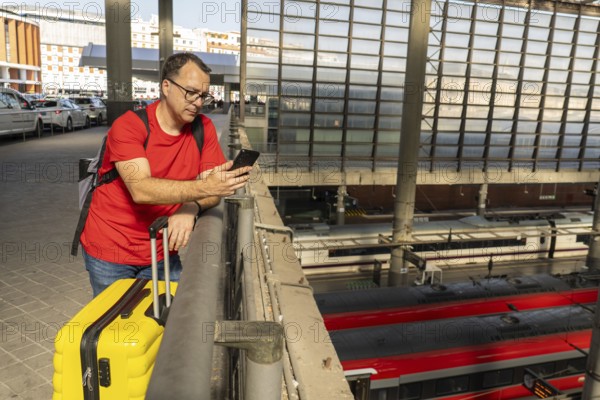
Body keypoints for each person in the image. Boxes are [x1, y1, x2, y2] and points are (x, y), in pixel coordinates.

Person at [79, 52, 251, 297]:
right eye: (190, 92)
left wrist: (190, 207)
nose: (198, 102)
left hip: (161, 249)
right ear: (166, 87)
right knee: (115, 329)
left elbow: (215, 190)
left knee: (169, 326)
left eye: (203, 95)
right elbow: (141, 189)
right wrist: (205, 188)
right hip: (111, 250)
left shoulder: (204, 128)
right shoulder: (129, 126)